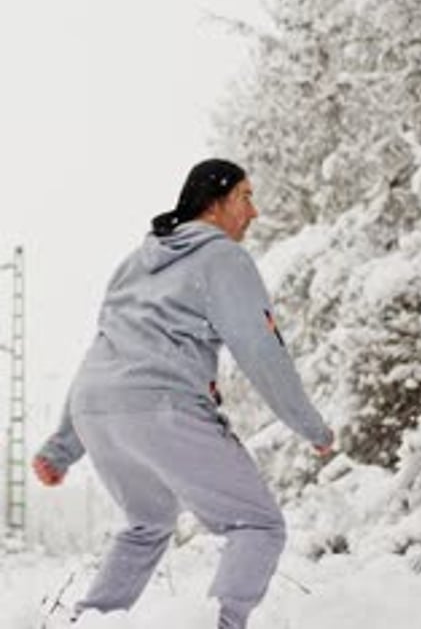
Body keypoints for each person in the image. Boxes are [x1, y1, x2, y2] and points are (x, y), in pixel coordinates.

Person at [33, 159, 334, 629]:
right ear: (215, 203)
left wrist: (63, 446)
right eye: (245, 197)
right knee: (258, 524)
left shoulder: (133, 263)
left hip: (98, 409)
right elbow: (259, 347)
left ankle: (88, 622)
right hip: (160, 403)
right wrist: (309, 425)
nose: (254, 212)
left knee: (146, 523)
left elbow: (103, 348)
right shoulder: (223, 258)